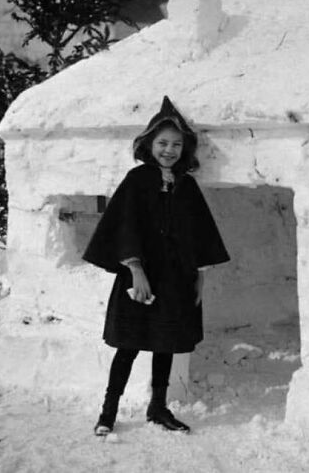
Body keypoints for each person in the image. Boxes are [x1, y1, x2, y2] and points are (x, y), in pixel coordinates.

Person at [83, 96, 230, 436]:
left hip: (177, 281)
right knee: (129, 346)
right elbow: (124, 226)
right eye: (163, 143)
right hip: (141, 280)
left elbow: (200, 234)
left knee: (165, 343)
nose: (169, 150)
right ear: (149, 144)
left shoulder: (186, 186)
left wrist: (200, 279)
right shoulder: (136, 181)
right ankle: (108, 411)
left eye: (177, 144)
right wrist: (135, 271)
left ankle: (158, 407)